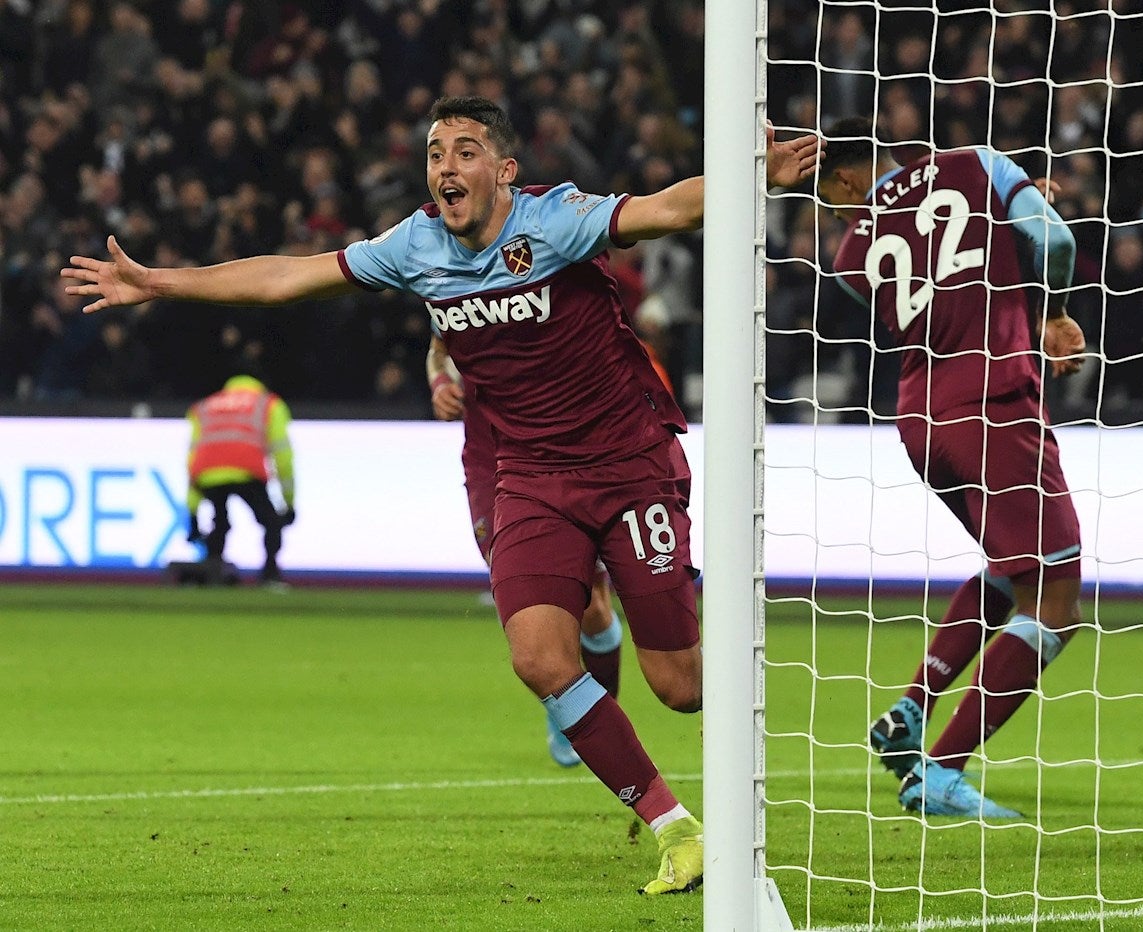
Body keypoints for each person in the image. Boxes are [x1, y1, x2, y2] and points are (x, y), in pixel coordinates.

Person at [62, 95, 820, 893]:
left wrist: (752, 177)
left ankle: (696, 604)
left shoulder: (555, 222)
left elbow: (667, 209)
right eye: (434, 153)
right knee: (537, 657)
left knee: (683, 687)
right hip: (529, 475)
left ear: (504, 171)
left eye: (463, 151)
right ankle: (678, 828)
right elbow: (288, 277)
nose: (445, 167)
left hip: (627, 463)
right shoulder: (415, 244)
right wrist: (162, 283)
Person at [818, 116, 1087, 819]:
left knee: (1009, 568)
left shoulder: (850, 251)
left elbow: (931, 272)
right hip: (994, 401)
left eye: (830, 197)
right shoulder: (977, 162)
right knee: (1056, 597)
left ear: (850, 176)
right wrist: (1051, 307)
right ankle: (940, 772)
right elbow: (1053, 240)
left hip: (919, 417)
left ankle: (911, 709)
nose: (836, 212)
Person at [427, 333, 623, 769]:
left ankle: (593, 712)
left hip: (562, 459)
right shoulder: (456, 281)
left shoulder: (556, 280)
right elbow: (439, 349)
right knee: (526, 600)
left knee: (589, 608)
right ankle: (566, 705)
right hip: (489, 465)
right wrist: (440, 384)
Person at [186, 373, 296, 585]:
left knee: (220, 522)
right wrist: (289, 503)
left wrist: (192, 512)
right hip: (247, 468)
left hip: (208, 471)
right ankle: (270, 575)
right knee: (271, 522)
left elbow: (192, 461)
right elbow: (283, 457)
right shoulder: (269, 404)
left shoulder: (206, 406)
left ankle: (212, 571)